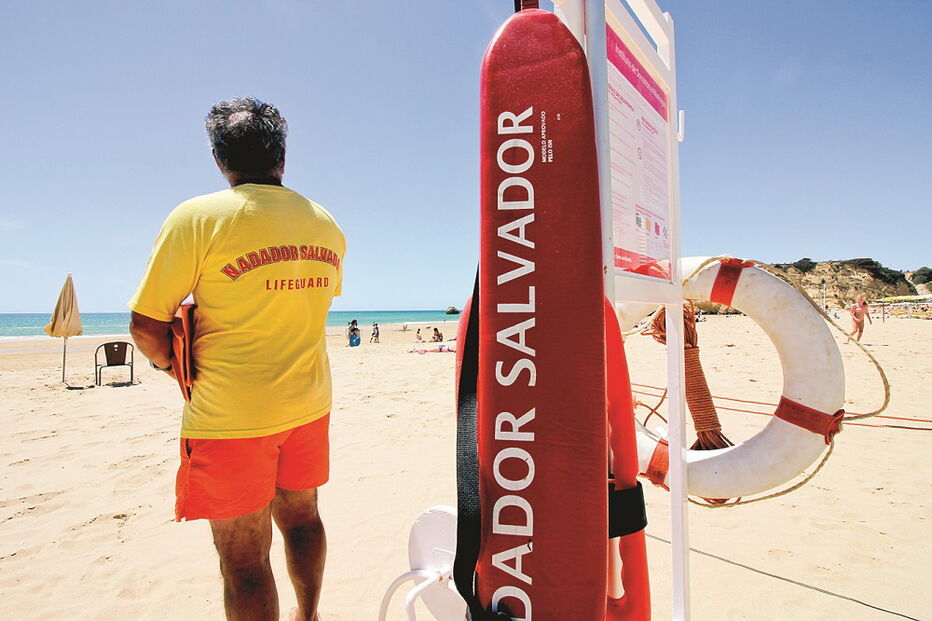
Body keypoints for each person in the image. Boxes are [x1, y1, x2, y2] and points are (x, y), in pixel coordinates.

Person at [128, 97, 343, 621]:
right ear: (283, 158)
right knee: (303, 519)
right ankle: (308, 615)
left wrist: (172, 369)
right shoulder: (325, 225)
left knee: (244, 561)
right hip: (308, 404)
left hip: (231, 417)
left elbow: (145, 325)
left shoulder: (198, 217)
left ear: (220, 160)